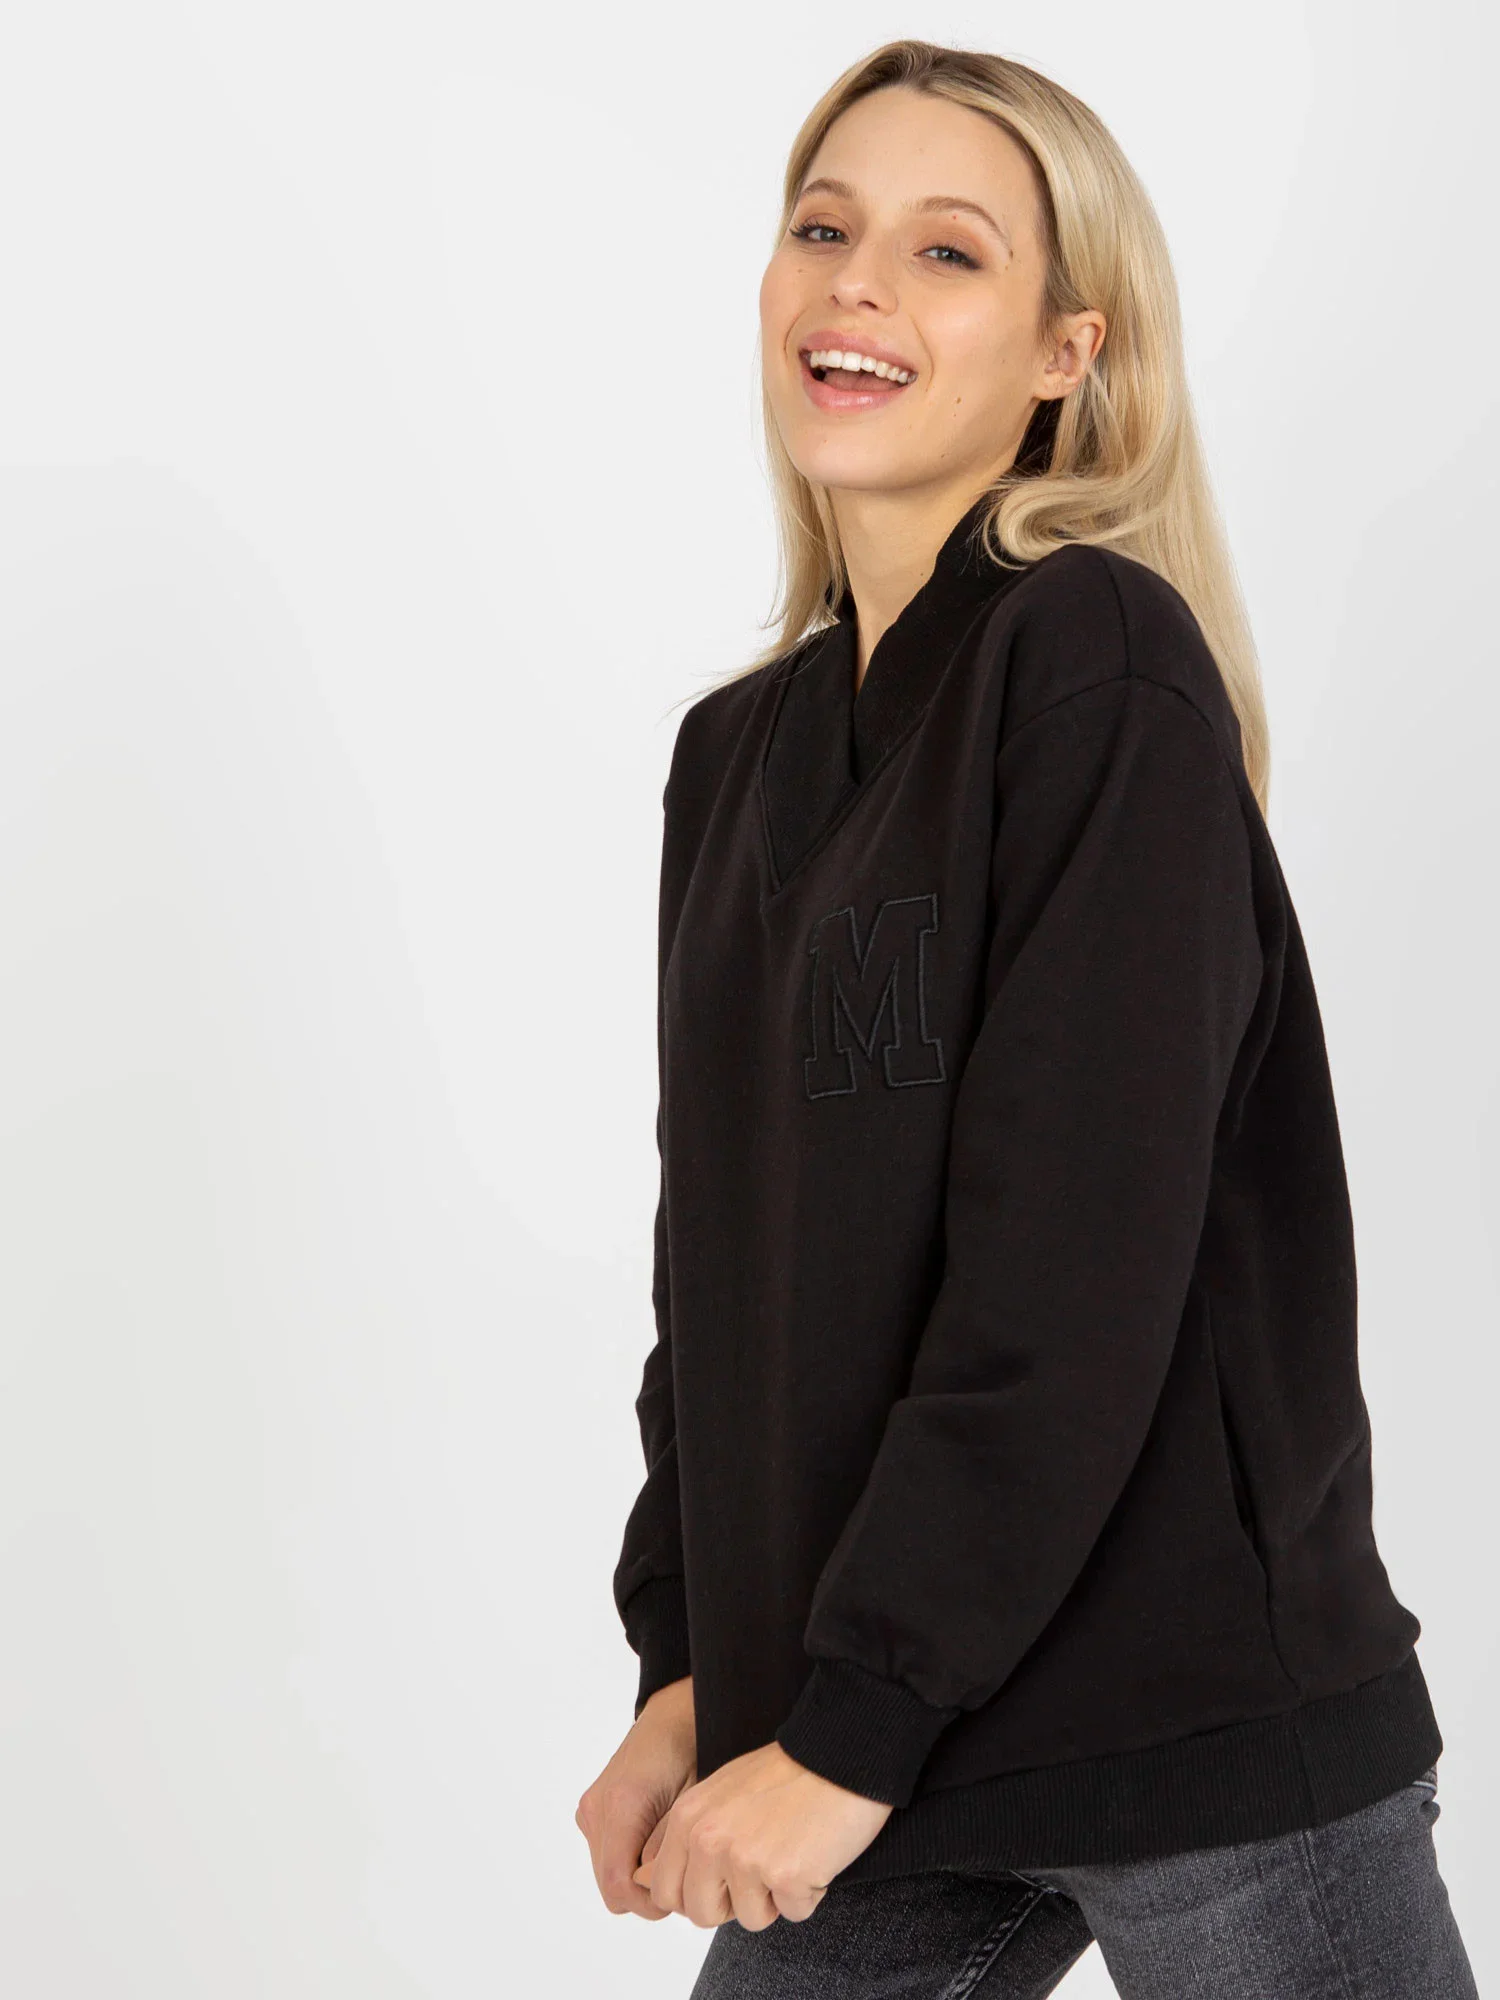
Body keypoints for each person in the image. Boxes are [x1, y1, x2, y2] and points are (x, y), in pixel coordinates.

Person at [575, 38, 1479, 1999]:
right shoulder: (732, 762)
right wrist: (694, 1662)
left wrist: (845, 1724)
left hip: (1186, 1717)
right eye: (824, 227)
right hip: (875, 1722)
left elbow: (1074, 1260)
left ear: (1071, 351)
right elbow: (715, 1286)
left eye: (947, 251)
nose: (857, 286)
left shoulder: (1094, 663)